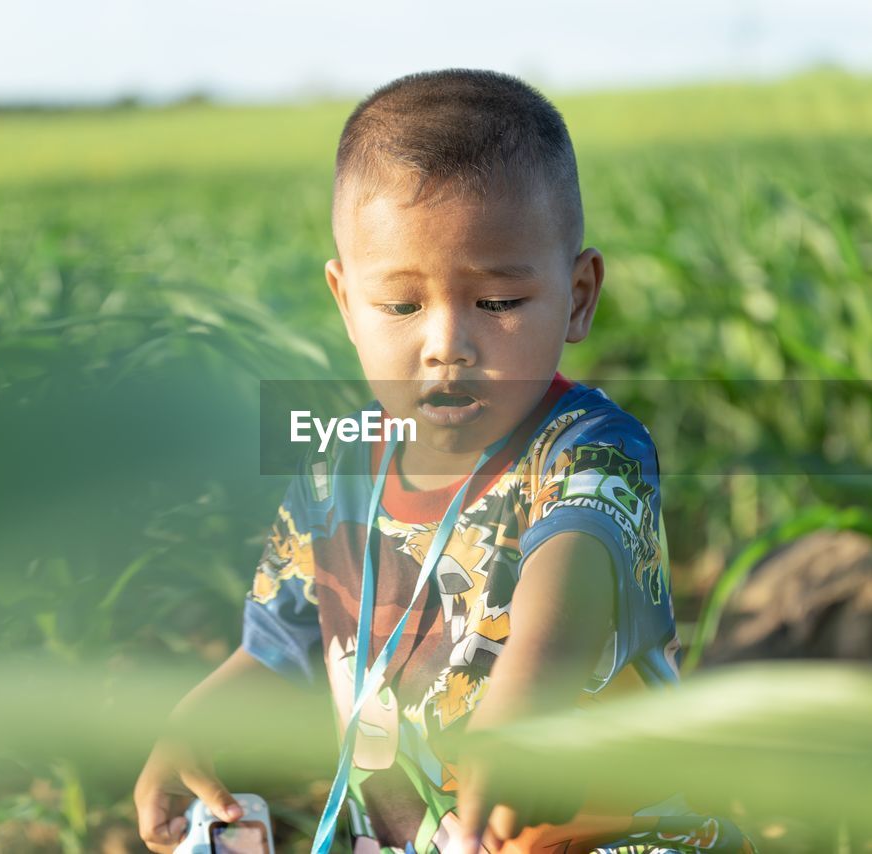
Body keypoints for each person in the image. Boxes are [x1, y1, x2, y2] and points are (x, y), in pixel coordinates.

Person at [135, 68, 756, 854]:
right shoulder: (335, 472)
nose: (446, 345)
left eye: (497, 303)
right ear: (345, 303)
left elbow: (565, 595)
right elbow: (283, 641)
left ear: (579, 295)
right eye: (401, 305)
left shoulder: (591, 452)